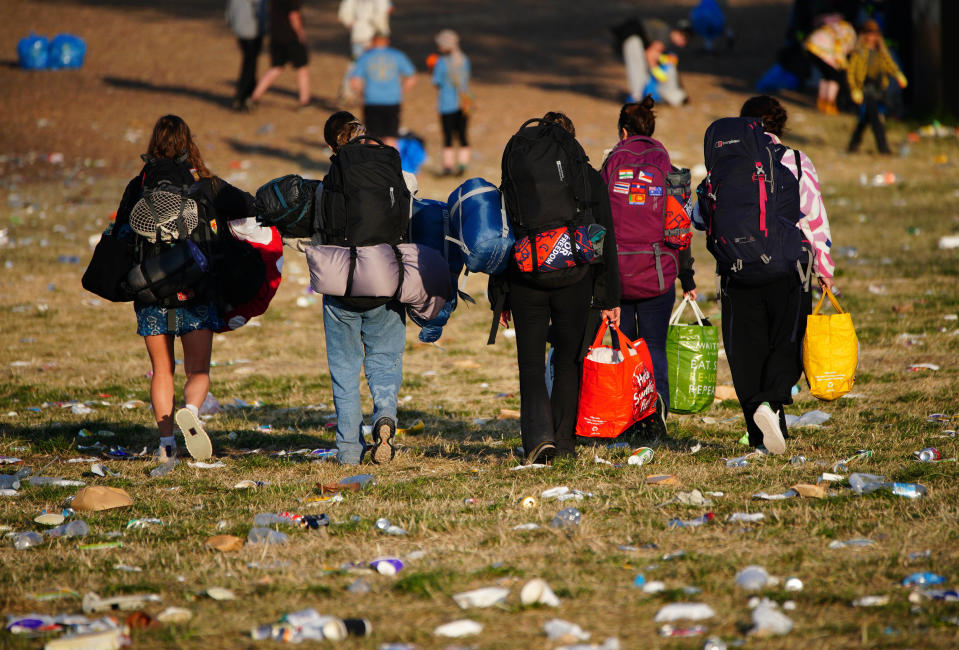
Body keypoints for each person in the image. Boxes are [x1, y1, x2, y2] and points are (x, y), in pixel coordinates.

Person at [692, 96, 835, 455]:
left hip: (736, 273)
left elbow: (698, 219)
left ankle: (763, 438)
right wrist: (825, 268)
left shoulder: (723, 164)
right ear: (780, 126)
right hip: (787, 269)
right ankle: (771, 404)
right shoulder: (795, 161)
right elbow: (814, 218)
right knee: (785, 345)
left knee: (747, 353)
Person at [113, 115, 252, 463]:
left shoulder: (139, 186)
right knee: (198, 370)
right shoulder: (204, 185)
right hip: (197, 291)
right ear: (188, 143)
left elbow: (120, 233)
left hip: (150, 291)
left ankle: (166, 444)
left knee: (162, 370)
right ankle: (190, 410)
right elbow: (250, 205)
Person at [490, 111, 621, 465]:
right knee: (568, 360)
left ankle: (538, 439)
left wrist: (499, 294)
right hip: (575, 278)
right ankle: (564, 442)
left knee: (530, 364)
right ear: (570, 141)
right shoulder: (585, 174)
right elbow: (606, 234)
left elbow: (503, 234)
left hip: (524, 278)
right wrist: (608, 295)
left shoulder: (519, 169)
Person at [320, 111, 415, 464]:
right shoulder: (397, 172)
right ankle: (385, 419)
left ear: (331, 145)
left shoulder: (330, 180)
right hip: (387, 280)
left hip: (342, 285)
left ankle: (348, 451)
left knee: (345, 369)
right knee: (385, 360)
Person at [601, 97, 697, 437]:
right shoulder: (666, 164)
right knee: (654, 344)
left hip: (617, 276)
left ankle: (627, 419)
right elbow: (680, 227)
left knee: (622, 348)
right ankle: (658, 415)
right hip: (659, 272)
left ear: (623, 130)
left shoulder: (611, 163)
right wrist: (687, 276)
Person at [846, 19, 907, 154]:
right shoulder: (859, 52)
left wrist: (897, 74)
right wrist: (854, 89)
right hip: (865, 89)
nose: (871, 37)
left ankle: (852, 145)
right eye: (868, 33)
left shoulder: (882, 52)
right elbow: (851, 72)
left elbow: (890, 64)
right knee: (875, 119)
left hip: (879, 89)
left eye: (874, 34)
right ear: (864, 35)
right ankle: (883, 148)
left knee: (865, 119)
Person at [349, 32, 416, 148]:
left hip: (372, 101)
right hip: (392, 101)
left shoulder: (365, 57)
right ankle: (392, 164)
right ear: (387, 41)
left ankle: (375, 165)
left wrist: (364, 93)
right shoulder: (397, 55)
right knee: (391, 137)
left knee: (373, 137)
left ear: (373, 41)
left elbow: (354, 81)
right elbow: (412, 77)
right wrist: (400, 91)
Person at [613, 17, 691, 107]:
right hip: (632, 39)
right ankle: (637, 99)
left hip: (632, 37)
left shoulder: (665, 32)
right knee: (638, 69)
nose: (683, 45)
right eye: (684, 40)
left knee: (639, 68)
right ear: (679, 33)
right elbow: (650, 55)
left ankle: (638, 98)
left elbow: (653, 54)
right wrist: (656, 70)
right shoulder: (665, 35)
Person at [250, 0, 311, 109]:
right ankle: (304, 101)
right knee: (302, 68)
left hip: (276, 36)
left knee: (275, 67)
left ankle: (255, 96)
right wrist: (301, 34)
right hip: (291, 38)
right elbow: (294, 16)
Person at [431, 29, 471, 177]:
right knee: (462, 135)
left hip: (447, 104)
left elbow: (436, 82)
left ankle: (448, 167)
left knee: (447, 136)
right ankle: (462, 165)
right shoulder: (464, 59)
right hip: (465, 102)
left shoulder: (441, 62)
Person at [803, 14, 856, 115]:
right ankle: (829, 104)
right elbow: (841, 48)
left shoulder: (841, 25)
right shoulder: (849, 31)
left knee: (826, 76)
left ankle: (822, 103)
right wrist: (840, 63)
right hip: (822, 51)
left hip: (811, 47)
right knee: (834, 77)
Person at [225, 0, 266, 112]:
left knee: (250, 62)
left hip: (247, 29)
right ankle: (244, 96)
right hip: (250, 30)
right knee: (249, 63)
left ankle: (246, 95)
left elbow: (230, 11)